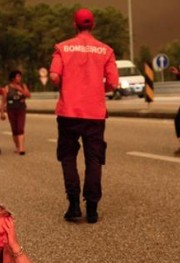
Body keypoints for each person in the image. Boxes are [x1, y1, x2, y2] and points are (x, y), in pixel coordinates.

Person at [49, 8, 119, 224]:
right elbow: (114, 83)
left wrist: (68, 87)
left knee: (68, 157)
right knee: (94, 159)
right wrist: (98, 91)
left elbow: (53, 76)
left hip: (68, 112)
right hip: (95, 114)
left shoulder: (62, 48)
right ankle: (92, 209)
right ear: (93, 25)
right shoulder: (106, 51)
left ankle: (73, 205)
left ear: (75, 25)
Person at [1, 70, 31, 155]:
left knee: (20, 128)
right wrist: (2, 113)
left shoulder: (23, 85)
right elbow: (3, 101)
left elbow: (28, 95)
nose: (19, 78)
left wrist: (20, 89)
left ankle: (22, 148)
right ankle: (18, 147)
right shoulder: (7, 88)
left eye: (20, 76)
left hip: (21, 109)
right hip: (11, 110)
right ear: (13, 78)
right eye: (18, 76)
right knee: (14, 129)